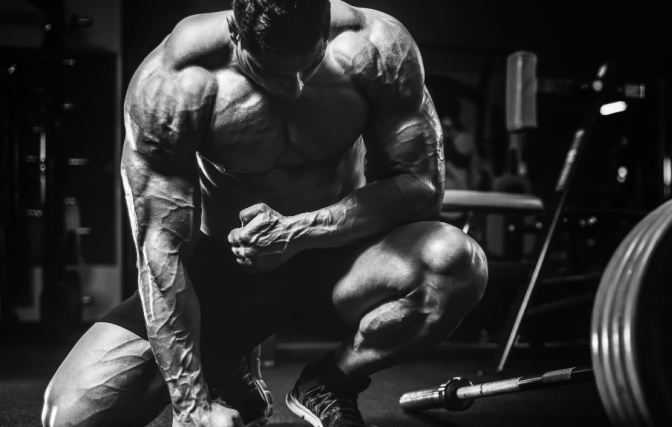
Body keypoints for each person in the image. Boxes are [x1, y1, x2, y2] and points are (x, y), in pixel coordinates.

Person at [42, 1, 488, 426]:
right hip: (230, 272)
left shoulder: (373, 46)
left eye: (309, 63)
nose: (294, 87)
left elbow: (422, 188)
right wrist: (191, 405)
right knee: (69, 416)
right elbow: (159, 247)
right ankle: (231, 372)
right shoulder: (177, 81)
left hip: (343, 259)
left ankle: (329, 381)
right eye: (273, 71)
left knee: (455, 263)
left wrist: (298, 232)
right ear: (236, 32)